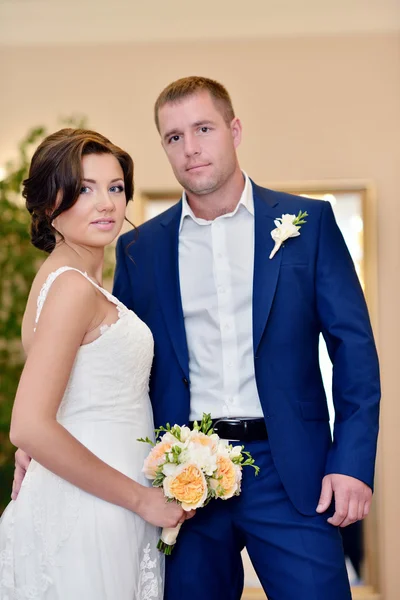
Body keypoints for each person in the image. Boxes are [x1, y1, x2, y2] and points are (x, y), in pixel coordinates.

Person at [111, 77, 380, 599]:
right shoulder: (139, 250)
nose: (189, 148)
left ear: (234, 130)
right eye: (173, 137)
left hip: (293, 474)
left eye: (203, 128)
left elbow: (355, 353)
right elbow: (125, 370)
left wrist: (351, 465)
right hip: (184, 480)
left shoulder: (310, 224)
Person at [1, 128, 194, 600]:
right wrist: (142, 499)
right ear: (50, 205)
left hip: (101, 496)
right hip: (93, 509)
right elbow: (28, 426)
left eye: (115, 187)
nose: (106, 203)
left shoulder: (72, 280)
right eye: (85, 188)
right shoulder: (70, 286)